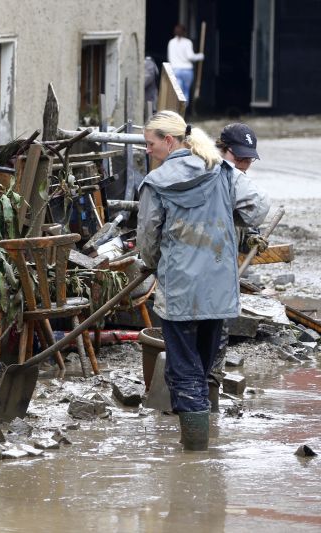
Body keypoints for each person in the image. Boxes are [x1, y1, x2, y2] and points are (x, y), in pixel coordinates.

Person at [136, 111, 269, 451]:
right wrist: (227, 219)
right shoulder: (222, 170)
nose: (147, 150)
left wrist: (157, 265)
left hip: (179, 291)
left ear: (169, 141)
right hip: (220, 290)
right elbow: (258, 208)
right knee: (204, 365)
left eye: (150, 144)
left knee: (184, 369)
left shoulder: (156, 182)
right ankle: (202, 446)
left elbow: (148, 242)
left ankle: (195, 455)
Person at [206, 123, 268, 411]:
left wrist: (250, 236)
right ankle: (195, 400)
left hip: (222, 271)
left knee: (219, 336)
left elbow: (240, 218)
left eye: (248, 160)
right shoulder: (209, 174)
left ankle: (209, 401)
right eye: (239, 158)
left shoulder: (235, 181)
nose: (244, 165)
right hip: (203, 266)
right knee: (203, 334)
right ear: (222, 149)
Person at [167, 24, 204, 105]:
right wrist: (200, 56)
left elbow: (169, 58)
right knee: (185, 92)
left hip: (175, 70)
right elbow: (190, 56)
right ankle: (183, 112)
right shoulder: (187, 42)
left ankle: (177, 110)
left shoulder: (171, 42)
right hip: (187, 71)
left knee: (177, 93)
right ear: (184, 32)